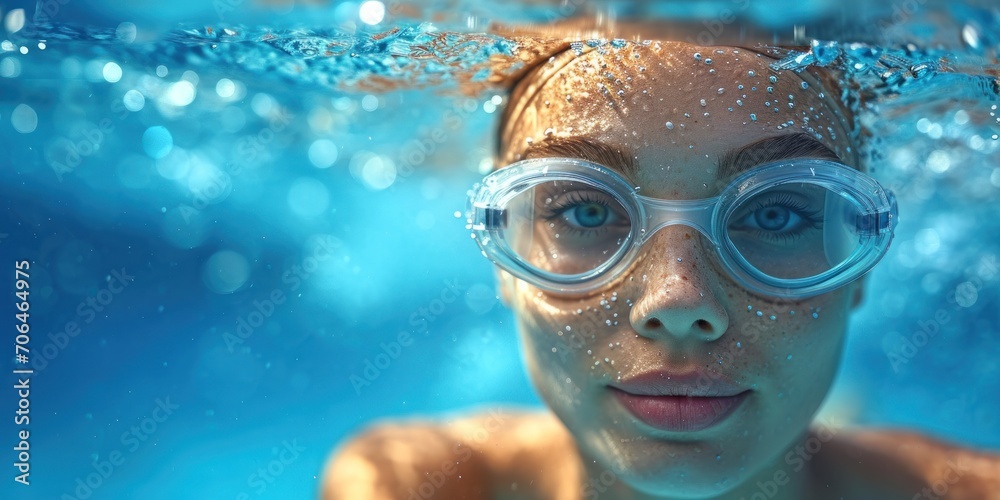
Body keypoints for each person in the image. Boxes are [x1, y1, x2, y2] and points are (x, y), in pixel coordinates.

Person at [321, 39, 1000, 499]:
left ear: (858, 272)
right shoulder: (412, 482)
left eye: (776, 215)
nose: (679, 300)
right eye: (586, 212)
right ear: (507, 264)